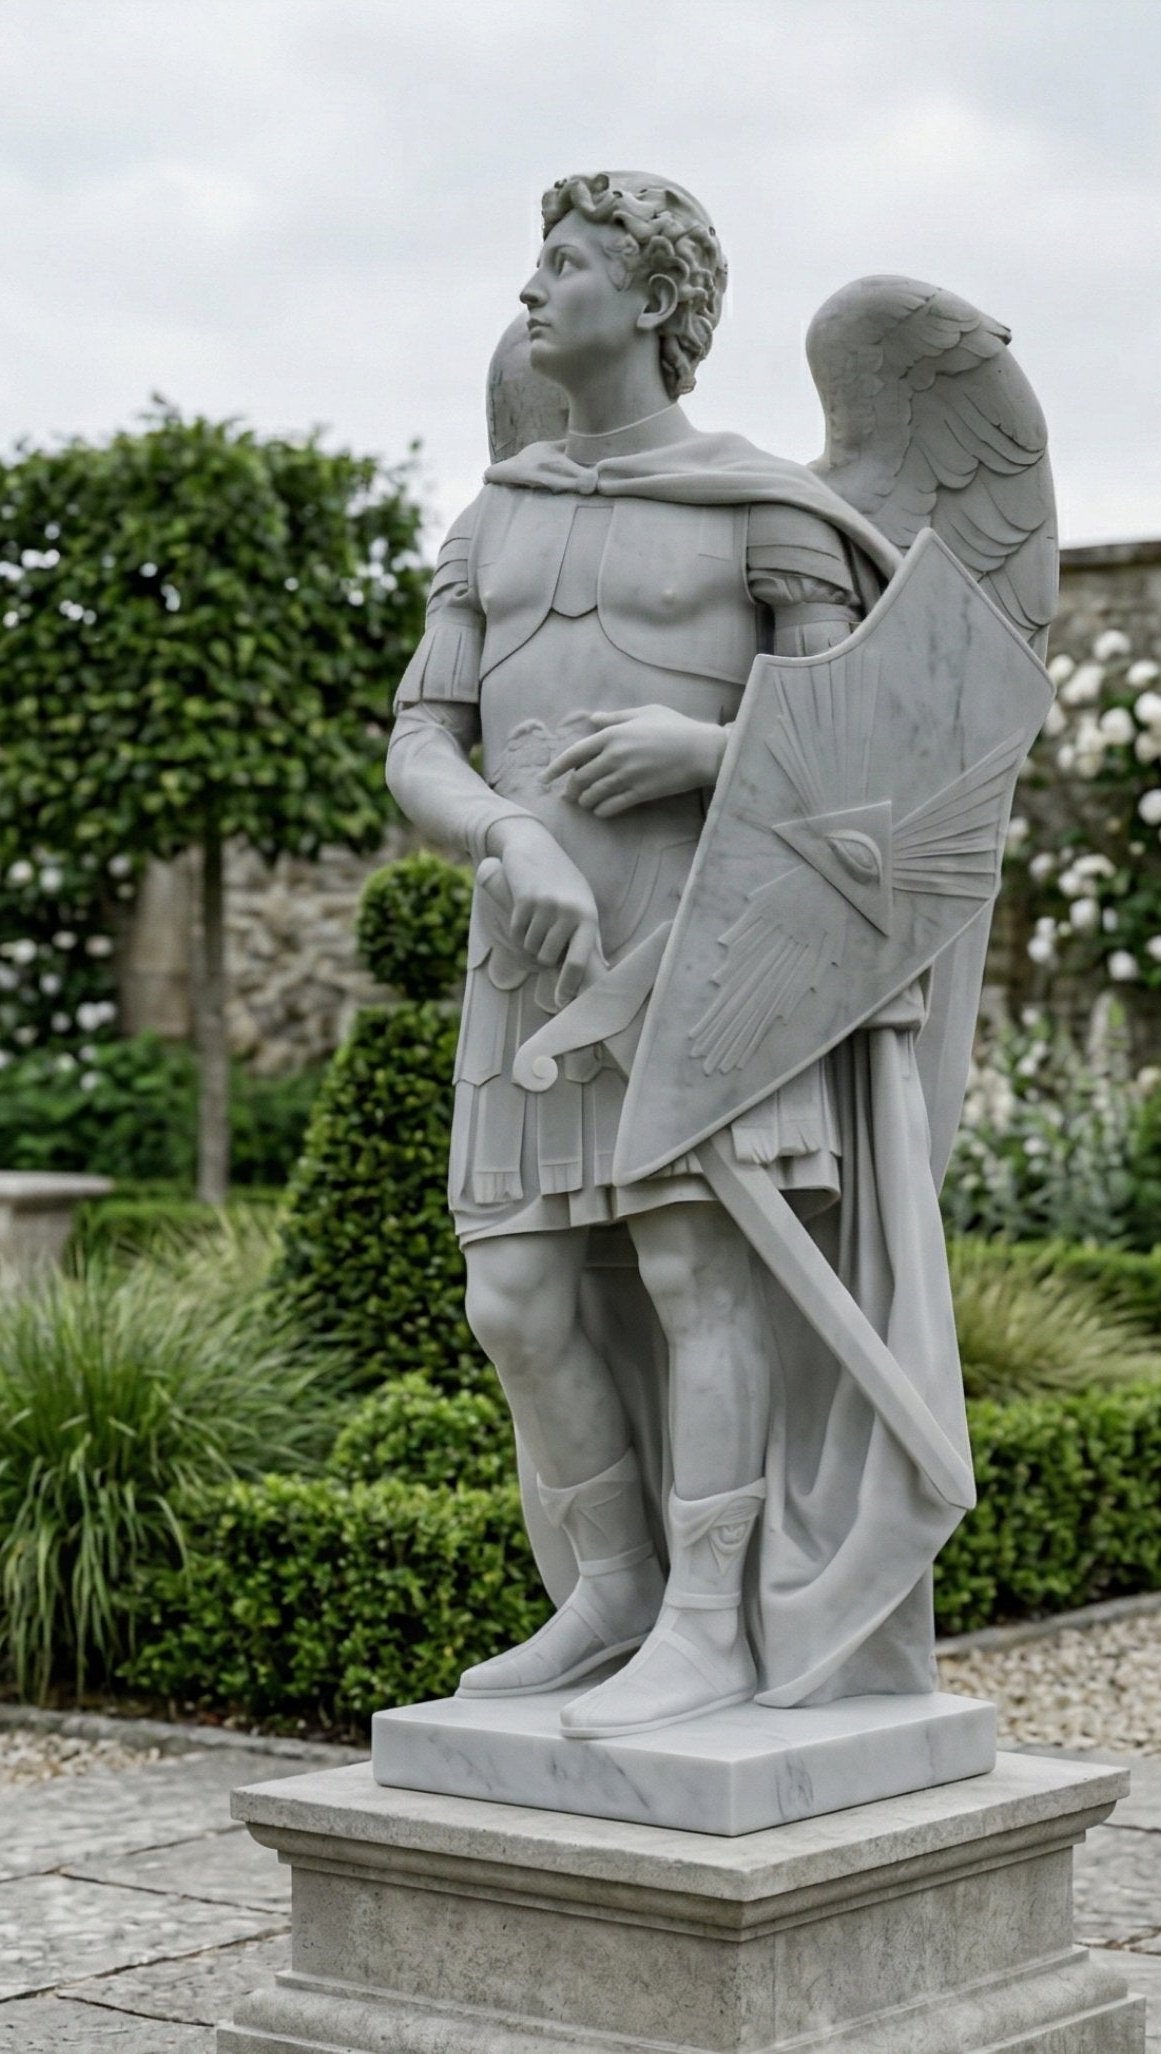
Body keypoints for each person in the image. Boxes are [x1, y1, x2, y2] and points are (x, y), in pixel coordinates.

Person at [386, 170, 959, 1738]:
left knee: (700, 1275)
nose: (531, 290)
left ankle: (709, 1623)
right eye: (535, 264)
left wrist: (710, 749)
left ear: (652, 301)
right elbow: (422, 737)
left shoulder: (768, 512)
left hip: (710, 952)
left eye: (565, 263)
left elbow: (874, 746)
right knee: (513, 1295)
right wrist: (506, 835)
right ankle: (615, 1590)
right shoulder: (492, 517)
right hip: (530, 959)